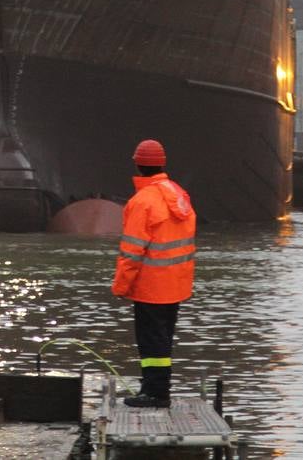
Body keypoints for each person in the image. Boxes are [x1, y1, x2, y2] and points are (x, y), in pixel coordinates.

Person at [111, 139, 196, 409]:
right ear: (162, 163)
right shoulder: (179, 195)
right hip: (176, 284)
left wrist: (121, 286)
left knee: (151, 343)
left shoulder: (142, 202)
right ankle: (154, 388)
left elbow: (132, 252)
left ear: (137, 164)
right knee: (163, 339)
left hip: (150, 286)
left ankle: (155, 394)